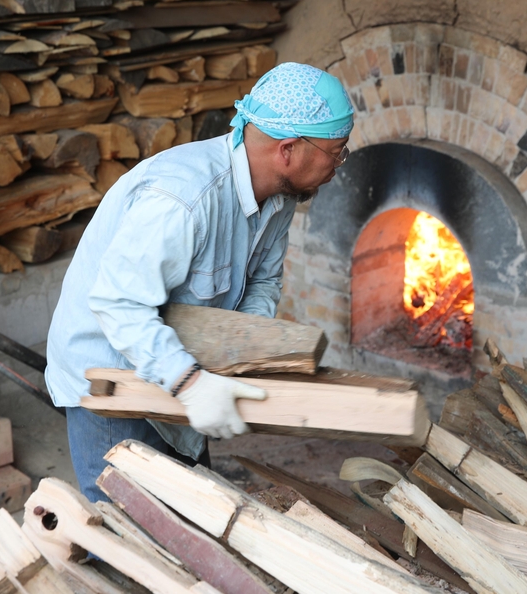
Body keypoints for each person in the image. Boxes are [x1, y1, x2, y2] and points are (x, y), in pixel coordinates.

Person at [44, 62, 355, 502]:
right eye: (336, 152)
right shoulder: (183, 201)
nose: (339, 165)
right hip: (111, 378)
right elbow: (118, 306)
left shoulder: (278, 196)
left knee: (196, 519)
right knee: (126, 543)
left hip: (177, 370)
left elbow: (262, 282)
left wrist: (239, 356)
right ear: (288, 150)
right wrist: (192, 385)